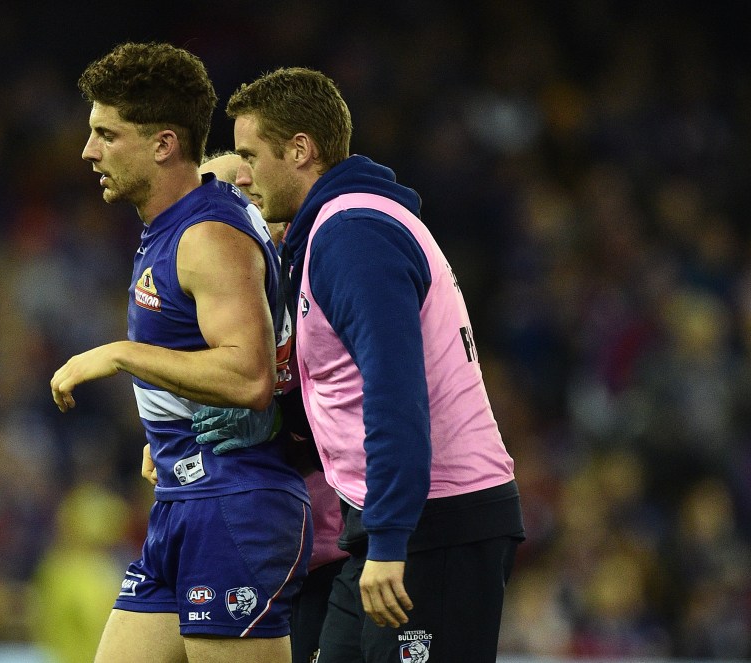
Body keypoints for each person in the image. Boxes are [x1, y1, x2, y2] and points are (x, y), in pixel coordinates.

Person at [218, 67, 526, 662]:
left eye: (251, 154)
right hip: (390, 523)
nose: (245, 175)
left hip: (433, 526)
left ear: (300, 149)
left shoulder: (352, 235)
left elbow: (393, 391)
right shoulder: (329, 234)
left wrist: (389, 542)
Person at [49, 43, 310, 663]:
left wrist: (122, 355)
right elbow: (219, 166)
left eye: (106, 135)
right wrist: (166, 418)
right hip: (180, 498)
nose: (90, 152)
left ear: (163, 144)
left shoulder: (207, 238)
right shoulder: (182, 219)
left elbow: (247, 373)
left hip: (234, 503)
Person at [195, 152, 349, 663]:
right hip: (256, 542)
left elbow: (354, 398)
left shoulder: (318, 265)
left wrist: (281, 422)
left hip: (336, 545)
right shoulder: (212, 283)